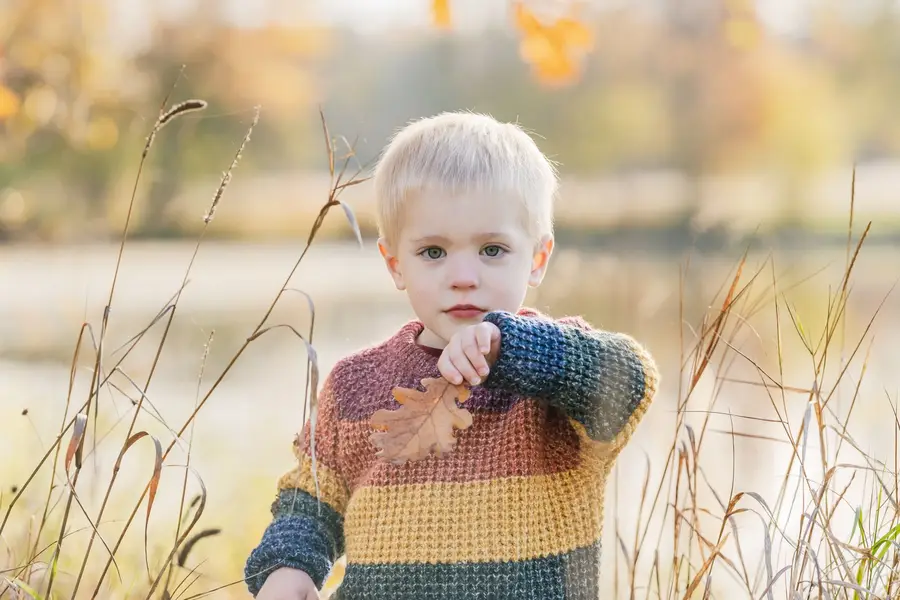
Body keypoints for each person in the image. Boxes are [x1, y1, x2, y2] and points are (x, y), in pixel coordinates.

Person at [244, 111, 660, 599]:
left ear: (537, 259)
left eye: (492, 250)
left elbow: (631, 380)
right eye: (434, 253)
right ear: (395, 264)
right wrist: (288, 566)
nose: (463, 277)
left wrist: (513, 348)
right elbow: (313, 500)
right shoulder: (355, 384)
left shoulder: (554, 374)